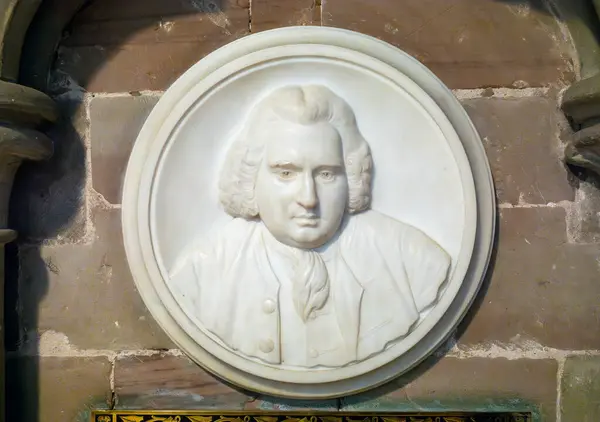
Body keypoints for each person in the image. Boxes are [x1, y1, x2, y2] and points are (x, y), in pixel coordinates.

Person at [170, 85, 450, 368]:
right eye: (286, 173)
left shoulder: (412, 260)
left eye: (326, 174)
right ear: (250, 178)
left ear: (350, 179)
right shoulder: (203, 270)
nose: (308, 198)